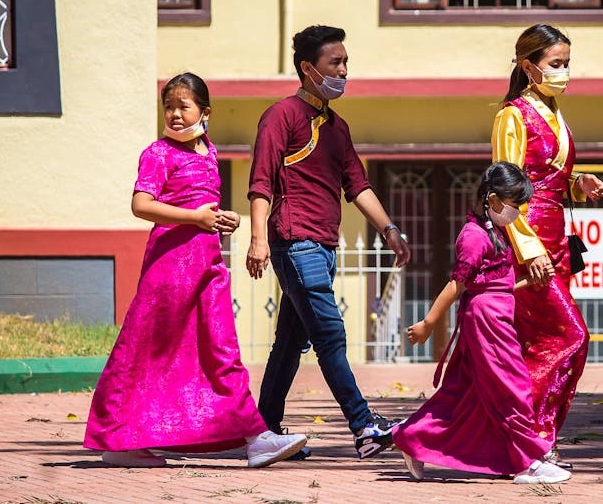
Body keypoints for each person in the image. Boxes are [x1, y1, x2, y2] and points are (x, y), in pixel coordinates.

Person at [84, 73, 308, 469]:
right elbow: (141, 205)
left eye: (182, 106)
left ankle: (253, 436)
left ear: (204, 112)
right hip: (169, 273)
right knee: (148, 351)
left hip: (208, 267)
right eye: (168, 106)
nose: (173, 114)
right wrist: (195, 218)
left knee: (221, 349)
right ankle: (122, 442)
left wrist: (224, 219)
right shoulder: (158, 153)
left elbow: (204, 210)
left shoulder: (210, 153)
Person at [246, 24, 411, 459]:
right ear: (307, 68)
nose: (343, 71)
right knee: (330, 336)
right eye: (334, 63)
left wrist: (389, 230)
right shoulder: (280, 116)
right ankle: (363, 426)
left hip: (324, 246)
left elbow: (357, 185)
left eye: (345, 63)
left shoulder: (337, 127)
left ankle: (263, 434)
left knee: (288, 343)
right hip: (294, 242)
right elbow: (261, 182)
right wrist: (258, 239)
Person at [393, 161, 571, 485]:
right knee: (513, 389)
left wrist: (527, 282)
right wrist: (428, 324)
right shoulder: (474, 237)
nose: (517, 212)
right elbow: (456, 286)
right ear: (492, 200)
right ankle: (527, 461)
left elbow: (490, 286)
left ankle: (413, 440)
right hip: (488, 324)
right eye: (514, 204)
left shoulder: (495, 231)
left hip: (494, 317)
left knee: (465, 395)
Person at [490, 23, 603, 468]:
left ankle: (532, 440)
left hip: (556, 236)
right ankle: (531, 437)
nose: (565, 72)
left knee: (538, 343)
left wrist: (579, 183)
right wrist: (527, 248)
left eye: (567, 63)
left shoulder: (553, 110)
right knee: (570, 335)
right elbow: (504, 191)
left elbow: (547, 179)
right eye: (556, 64)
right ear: (528, 66)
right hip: (530, 242)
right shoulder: (513, 115)